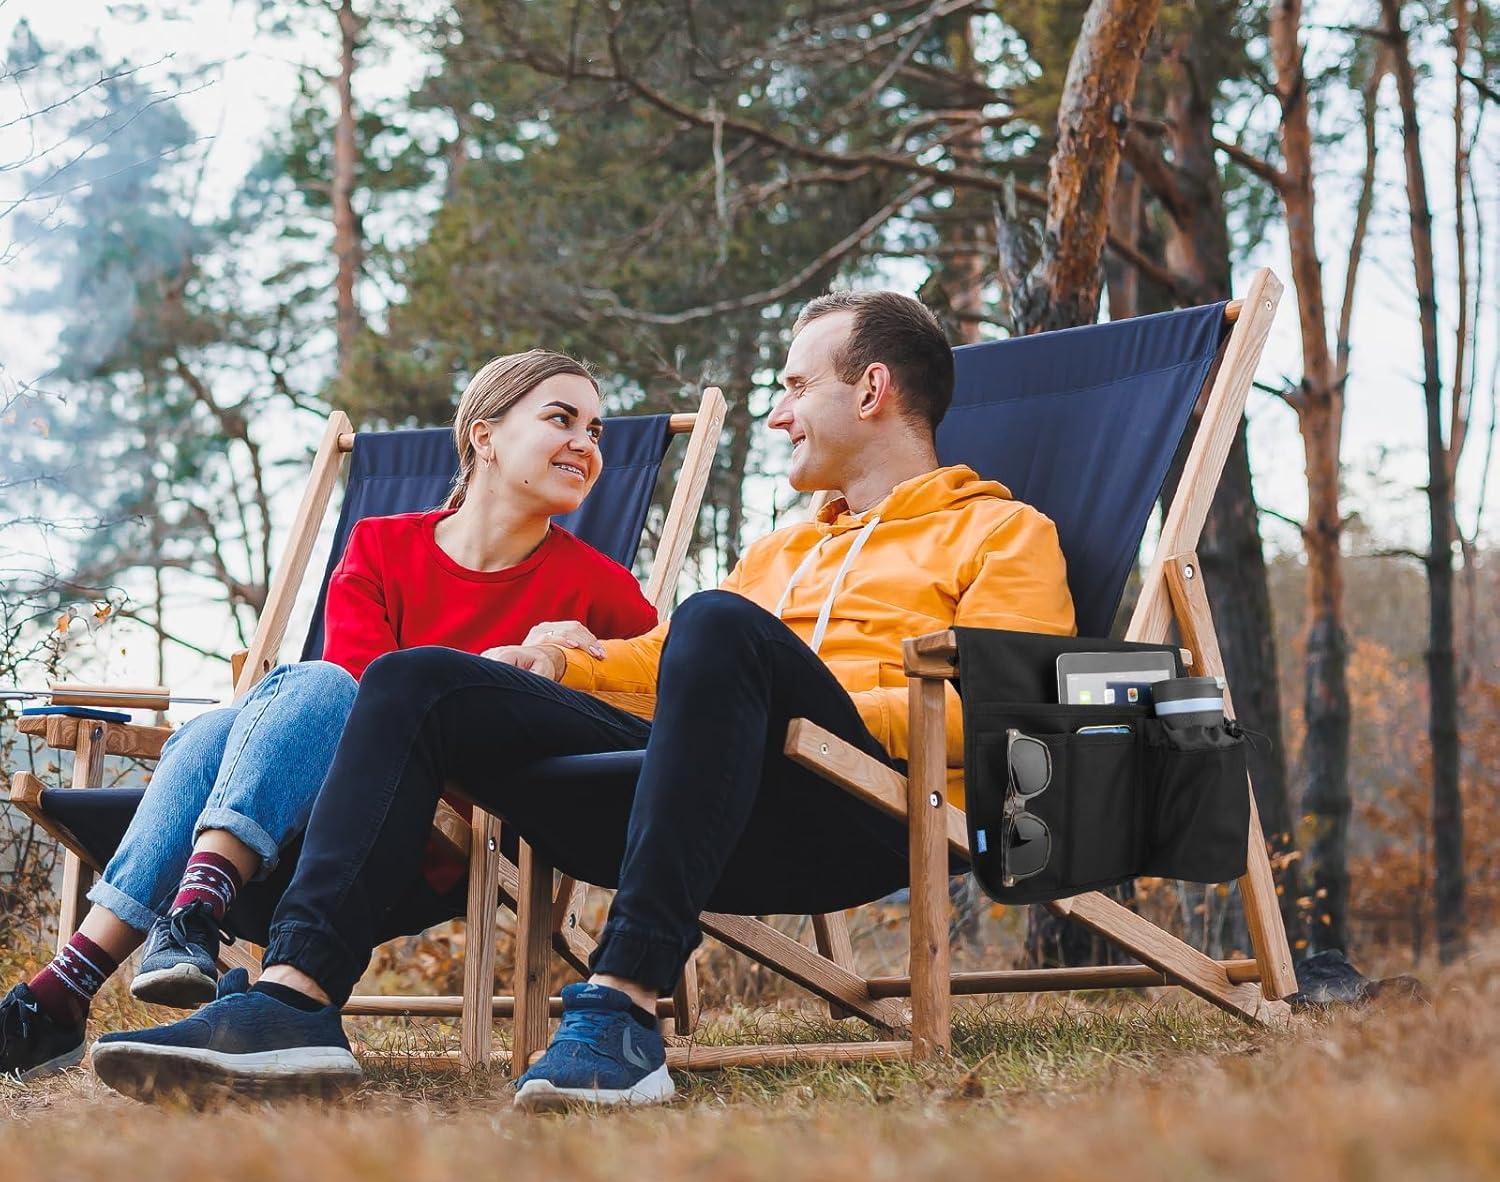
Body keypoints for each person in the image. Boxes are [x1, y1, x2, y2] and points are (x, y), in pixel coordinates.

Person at [90, 291, 1076, 1109]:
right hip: (701, 799)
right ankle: (296, 998)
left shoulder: (1000, 535)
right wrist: (568, 663)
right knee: (418, 677)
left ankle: (624, 1004)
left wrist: (803, 726)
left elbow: (1011, 715)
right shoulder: (781, 552)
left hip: (860, 810)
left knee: (720, 621)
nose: (779, 414)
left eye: (794, 387)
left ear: (871, 389)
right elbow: (670, 664)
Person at [1, 350, 657, 1082]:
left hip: (423, 835)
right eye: (562, 420)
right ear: (485, 436)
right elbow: (358, 700)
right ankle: (123, 956)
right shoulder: (382, 545)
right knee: (241, 717)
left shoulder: (598, 589)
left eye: (596, 431)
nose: (586, 444)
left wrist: (579, 663)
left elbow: (661, 701)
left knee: (283, 698)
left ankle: (124, 952)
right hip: (300, 825)